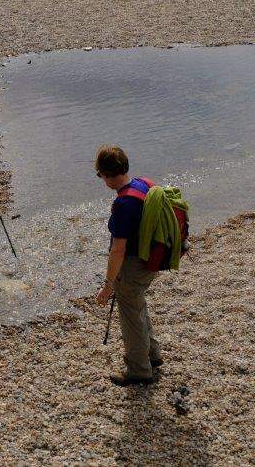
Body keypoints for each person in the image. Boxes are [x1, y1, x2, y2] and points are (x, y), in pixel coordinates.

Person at [94, 145, 163, 386]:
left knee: (130, 315)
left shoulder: (124, 204)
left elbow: (118, 250)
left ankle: (139, 370)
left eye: (100, 175)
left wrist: (109, 284)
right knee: (137, 305)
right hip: (151, 261)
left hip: (133, 266)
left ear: (105, 174)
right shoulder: (144, 184)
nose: (101, 180)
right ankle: (153, 355)